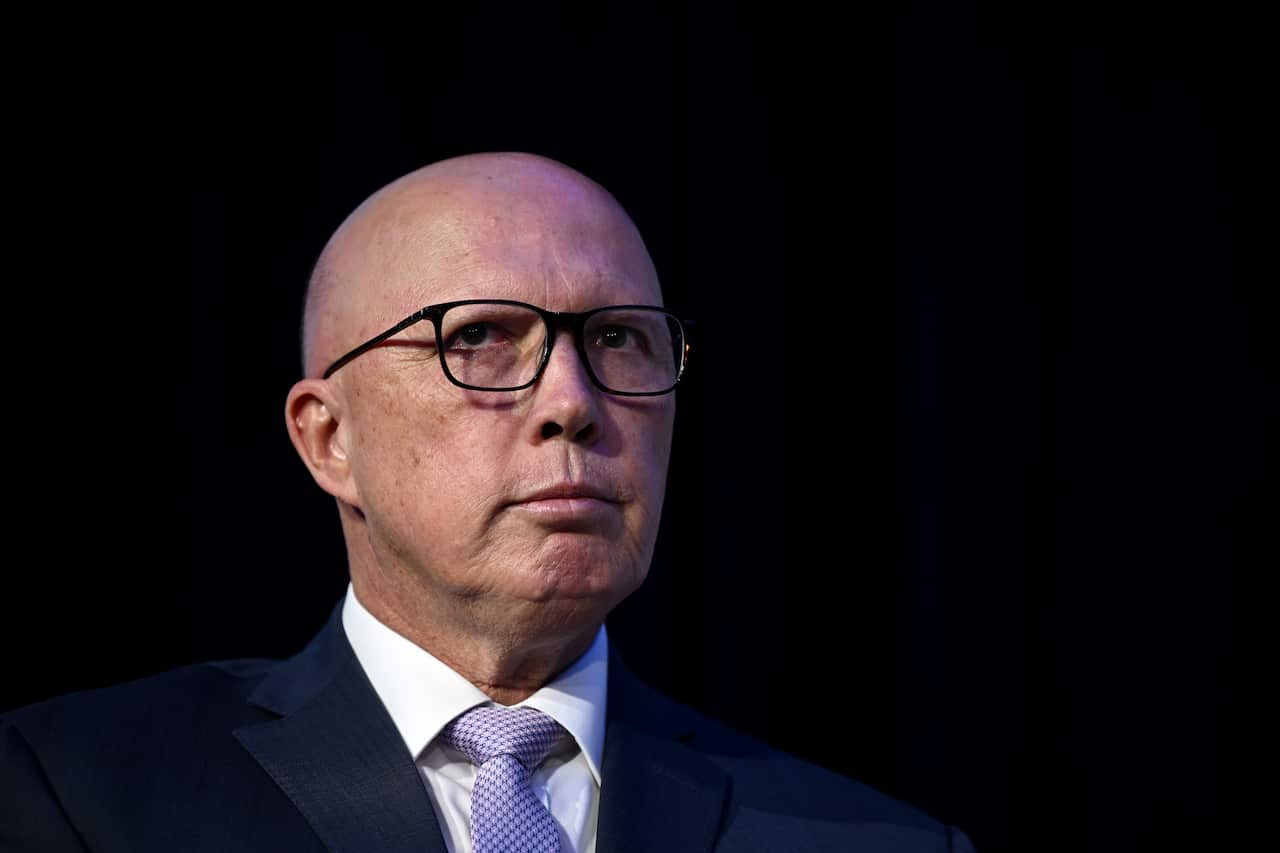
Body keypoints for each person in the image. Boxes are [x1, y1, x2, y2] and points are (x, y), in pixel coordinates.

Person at [1, 153, 975, 852]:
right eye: (478, 337)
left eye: (620, 340)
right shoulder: (66, 789)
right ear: (328, 438)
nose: (572, 404)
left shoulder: (871, 838)